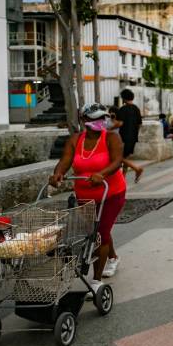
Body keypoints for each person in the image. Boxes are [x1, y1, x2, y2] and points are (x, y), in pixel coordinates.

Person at [49, 103, 127, 286]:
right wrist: (57, 173)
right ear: (84, 120)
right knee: (98, 229)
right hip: (85, 195)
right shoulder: (76, 140)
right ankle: (113, 257)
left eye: (103, 118)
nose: (100, 122)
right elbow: (65, 161)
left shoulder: (111, 138)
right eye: (95, 119)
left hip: (111, 193)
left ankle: (96, 280)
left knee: (101, 231)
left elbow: (117, 161)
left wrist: (102, 173)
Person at [114, 89, 143, 180]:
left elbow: (120, 124)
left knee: (118, 158)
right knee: (125, 157)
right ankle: (123, 177)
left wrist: (108, 128)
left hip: (123, 138)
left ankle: (136, 168)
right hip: (133, 137)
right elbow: (139, 124)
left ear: (124, 98)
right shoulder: (136, 109)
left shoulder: (122, 109)